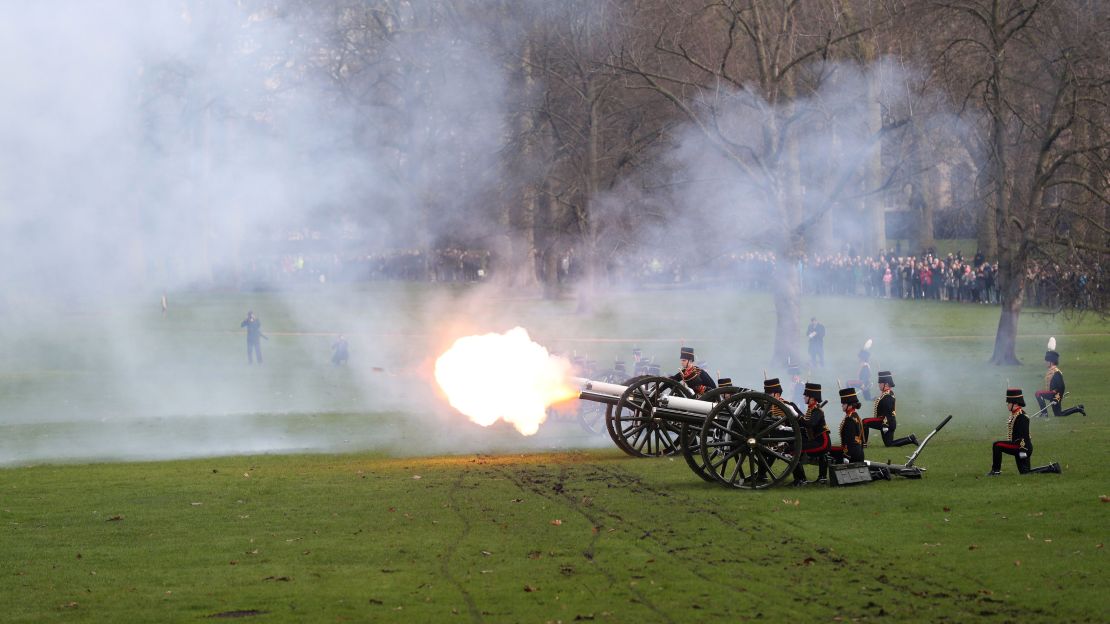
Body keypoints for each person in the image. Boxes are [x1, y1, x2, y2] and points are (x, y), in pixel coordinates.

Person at [988, 389, 1061, 475]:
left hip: (1021, 447)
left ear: (1014, 403)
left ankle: (995, 471)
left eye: (1009, 403)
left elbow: (1023, 435)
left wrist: (1022, 450)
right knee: (1025, 472)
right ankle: (1052, 468)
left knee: (997, 445)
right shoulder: (1016, 414)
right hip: (1022, 446)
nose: (1007, 405)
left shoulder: (1021, 416)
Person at [862, 371, 917, 447]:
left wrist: (885, 424)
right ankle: (910, 439)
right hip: (889, 422)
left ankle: (863, 444)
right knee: (889, 444)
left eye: (880, 383)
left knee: (865, 421)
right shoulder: (887, 393)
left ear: (886, 384)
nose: (879, 385)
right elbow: (880, 402)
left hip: (886, 422)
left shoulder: (887, 395)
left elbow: (888, 411)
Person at [790, 382, 830, 486]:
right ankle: (822, 478)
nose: (804, 397)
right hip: (817, 441)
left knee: (795, 449)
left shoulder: (817, 411)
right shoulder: (812, 409)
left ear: (812, 398)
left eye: (806, 395)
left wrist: (796, 415)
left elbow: (809, 424)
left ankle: (801, 480)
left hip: (822, 442)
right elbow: (805, 420)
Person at [1035, 349, 1085, 417]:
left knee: (1038, 393)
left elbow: (1061, 387)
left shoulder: (1056, 372)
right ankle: (1077, 408)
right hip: (1053, 395)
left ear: (1051, 362)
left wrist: (1057, 398)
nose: (1045, 362)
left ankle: (1044, 413)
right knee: (1058, 414)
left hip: (1054, 394)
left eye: (1047, 361)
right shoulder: (1051, 371)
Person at [829, 387, 865, 463]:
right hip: (858, 451)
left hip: (852, 454)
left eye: (844, 404)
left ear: (850, 405)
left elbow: (850, 440)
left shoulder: (850, 419)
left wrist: (846, 456)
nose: (842, 405)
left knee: (827, 450)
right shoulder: (855, 415)